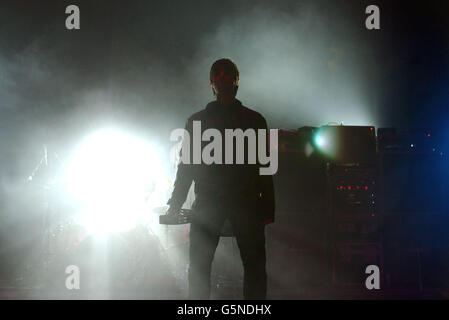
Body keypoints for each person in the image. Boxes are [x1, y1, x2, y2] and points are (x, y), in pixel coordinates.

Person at [166, 58, 275, 299]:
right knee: (202, 268)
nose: (223, 78)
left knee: (250, 267)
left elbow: (265, 166)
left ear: (235, 80)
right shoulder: (202, 121)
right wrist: (175, 202)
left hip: (238, 203)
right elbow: (187, 166)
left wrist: (268, 206)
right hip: (219, 203)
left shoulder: (252, 120)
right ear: (213, 81)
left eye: (227, 74)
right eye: (219, 74)